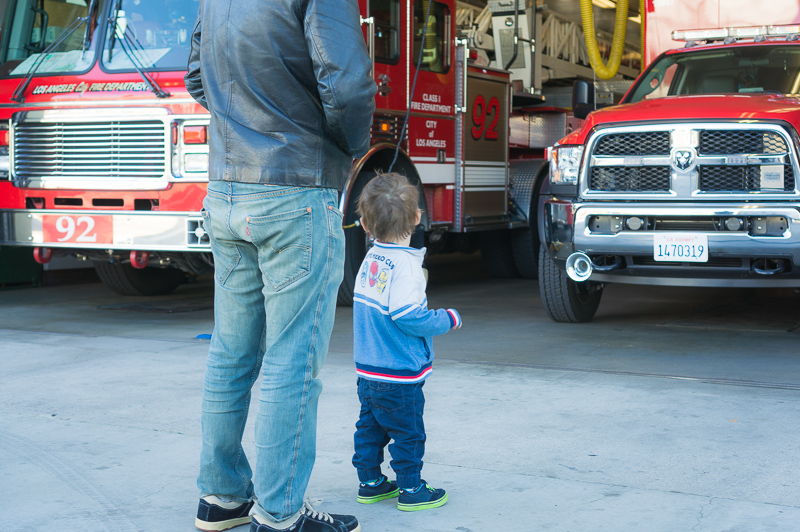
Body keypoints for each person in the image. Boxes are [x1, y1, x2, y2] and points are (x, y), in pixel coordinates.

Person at [184, 0, 376, 531]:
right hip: (295, 189)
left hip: (225, 189)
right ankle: (280, 512)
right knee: (292, 358)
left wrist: (239, 119)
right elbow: (349, 83)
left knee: (231, 351)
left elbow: (197, 77)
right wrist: (349, 149)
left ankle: (220, 498)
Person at [350, 172, 462, 512]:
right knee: (408, 434)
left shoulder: (371, 258)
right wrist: (446, 319)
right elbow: (407, 316)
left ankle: (370, 482)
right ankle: (411, 489)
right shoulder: (406, 267)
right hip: (398, 374)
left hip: (369, 371)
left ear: (365, 226)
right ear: (416, 217)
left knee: (369, 428)